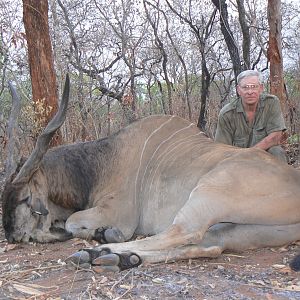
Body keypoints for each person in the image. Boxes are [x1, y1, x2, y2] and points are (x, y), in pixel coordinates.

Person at [215, 70, 287, 162]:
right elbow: (222, 148)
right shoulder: (227, 113)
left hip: (263, 154)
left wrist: (251, 153)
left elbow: (276, 136)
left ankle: (280, 176)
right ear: (238, 90)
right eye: (245, 87)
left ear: (261, 88)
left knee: (277, 151)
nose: (250, 92)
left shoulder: (271, 103)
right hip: (237, 159)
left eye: (254, 87)